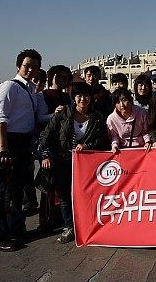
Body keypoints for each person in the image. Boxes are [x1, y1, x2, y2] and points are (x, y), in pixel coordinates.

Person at [0, 49, 48, 252]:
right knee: (2, 190)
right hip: (7, 142)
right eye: (27, 65)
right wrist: (3, 148)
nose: (31, 70)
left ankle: (15, 228)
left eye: (35, 67)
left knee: (17, 189)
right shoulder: (9, 87)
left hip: (22, 143)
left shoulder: (30, 89)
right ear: (18, 66)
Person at [38, 82, 110, 244]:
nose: (83, 99)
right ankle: (69, 226)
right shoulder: (63, 113)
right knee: (65, 195)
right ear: (73, 98)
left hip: (87, 164)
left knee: (88, 194)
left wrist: (88, 145)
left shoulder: (97, 117)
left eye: (86, 96)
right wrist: (46, 156)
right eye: (79, 96)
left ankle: (88, 224)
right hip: (63, 160)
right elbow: (46, 135)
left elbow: (103, 140)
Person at [38, 64, 73, 231]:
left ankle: (61, 217)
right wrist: (55, 114)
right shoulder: (43, 96)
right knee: (49, 183)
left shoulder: (67, 97)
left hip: (64, 146)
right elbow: (39, 118)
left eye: (65, 78)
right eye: (58, 76)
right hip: (49, 143)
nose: (61, 80)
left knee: (64, 184)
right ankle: (46, 219)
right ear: (51, 77)